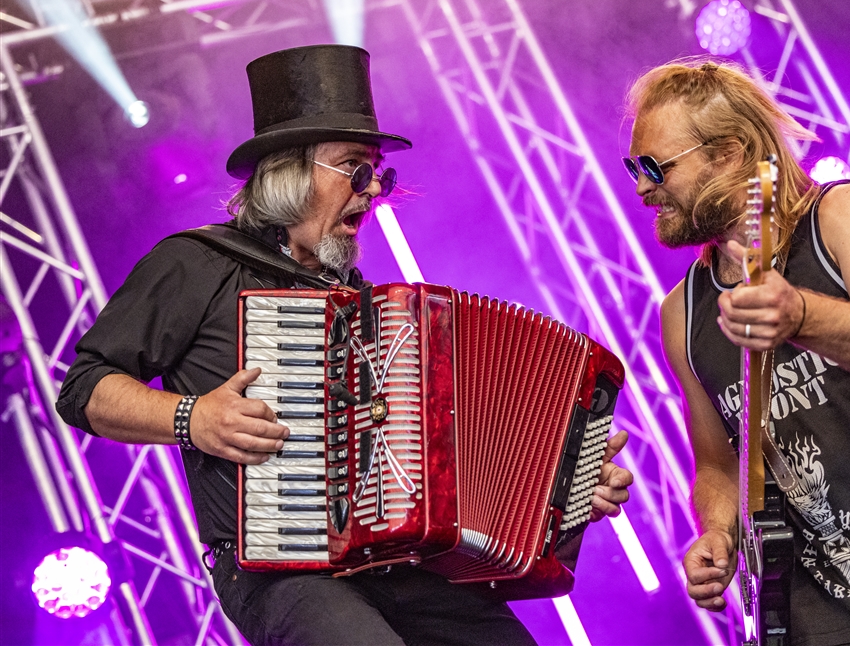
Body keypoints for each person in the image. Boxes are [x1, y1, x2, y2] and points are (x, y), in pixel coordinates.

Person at [55, 44, 633, 646]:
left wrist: (559, 487)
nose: (373, 190)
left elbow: (444, 458)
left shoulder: (363, 305)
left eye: (377, 173)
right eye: (355, 169)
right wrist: (191, 416)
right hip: (277, 570)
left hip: (394, 559)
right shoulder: (194, 264)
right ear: (290, 175)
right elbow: (84, 387)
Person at [623, 60, 850, 646]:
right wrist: (717, 531)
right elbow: (719, 462)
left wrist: (799, 314)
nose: (643, 187)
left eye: (654, 167)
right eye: (633, 169)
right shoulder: (681, 313)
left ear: (725, 154)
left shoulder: (844, 214)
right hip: (816, 618)